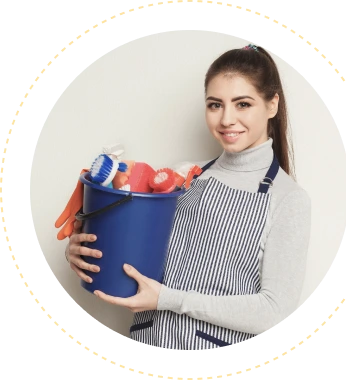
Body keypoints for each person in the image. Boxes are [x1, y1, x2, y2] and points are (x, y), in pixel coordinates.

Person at [65, 42, 312, 351]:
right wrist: (86, 253)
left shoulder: (287, 200)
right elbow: (136, 258)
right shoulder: (183, 178)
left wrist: (169, 300)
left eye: (243, 104)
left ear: (272, 105)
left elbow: (276, 314)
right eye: (215, 104)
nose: (226, 119)